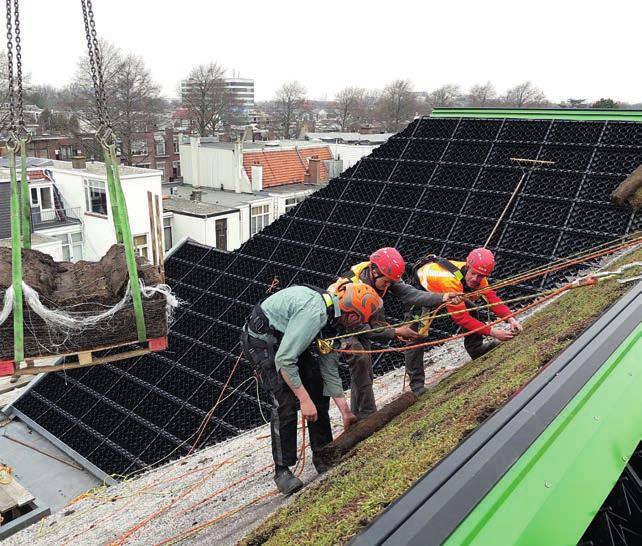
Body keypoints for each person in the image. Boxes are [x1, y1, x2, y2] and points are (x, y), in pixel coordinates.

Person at [240, 283, 383, 495]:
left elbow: (329, 367)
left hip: (286, 339)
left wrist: (345, 411)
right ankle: (282, 471)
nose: (359, 325)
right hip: (263, 343)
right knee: (285, 401)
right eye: (361, 320)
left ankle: (323, 453)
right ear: (352, 316)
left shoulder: (331, 321)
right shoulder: (315, 313)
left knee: (316, 384)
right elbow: (284, 360)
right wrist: (304, 400)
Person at [328, 248, 461, 415]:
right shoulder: (354, 286)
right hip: (342, 322)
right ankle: (368, 415)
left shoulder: (382, 275)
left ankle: (361, 414)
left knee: (364, 367)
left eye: (392, 282)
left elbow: (411, 294)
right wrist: (396, 331)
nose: (389, 285)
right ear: (374, 272)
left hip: (363, 313)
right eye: (386, 282)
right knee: (360, 360)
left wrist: (443, 297)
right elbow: (365, 330)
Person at [405, 247, 523, 393]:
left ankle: (476, 349)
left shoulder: (479, 277)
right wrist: (493, 332)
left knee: (472, 309)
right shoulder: (450, 281)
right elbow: (461, 318)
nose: (475, 279)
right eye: (473, 274)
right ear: (467, 267)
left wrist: (511, 320)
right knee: (415, 335)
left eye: (480, 276)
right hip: (424, 292)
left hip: (447, 291)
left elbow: (491, 299)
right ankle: (417, 386)